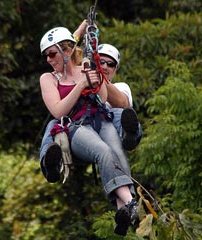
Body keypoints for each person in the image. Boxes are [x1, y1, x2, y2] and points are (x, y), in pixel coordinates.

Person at [39, 25, 138, 236]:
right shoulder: (48, 78)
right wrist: (80, 84)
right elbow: (58, 110)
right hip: (75, 125)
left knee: (116, 153)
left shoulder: (84, 65)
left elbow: (102, 98)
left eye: (52, 54)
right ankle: (131, 202)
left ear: (66, 52)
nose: (48, 59)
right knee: (102, 151)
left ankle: (124, 211)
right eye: (46, 55)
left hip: (101, 118)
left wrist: (96, 77)